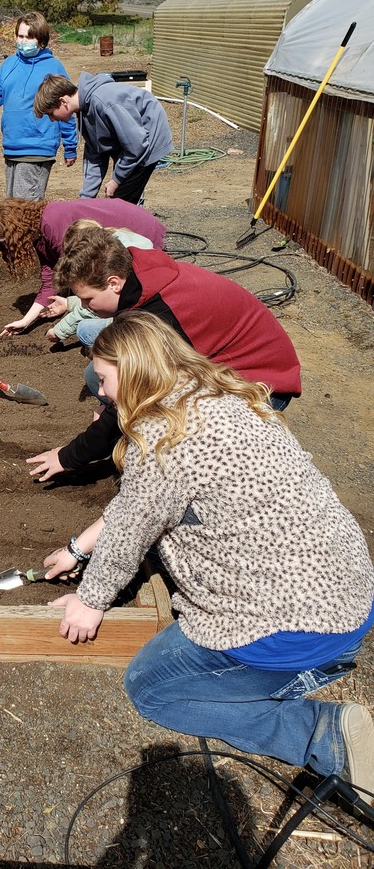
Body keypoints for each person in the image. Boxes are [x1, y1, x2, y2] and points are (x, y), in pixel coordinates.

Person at [43, 311, 374, 803]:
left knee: (151, 688)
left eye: (105, 379)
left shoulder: (162, 440)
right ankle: (304, 675)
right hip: (349, 595)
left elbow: (134, 527)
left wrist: (89, 602)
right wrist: (78, 548)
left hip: (290, 627)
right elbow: (141, 503)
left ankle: (322, 733)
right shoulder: (222, 397)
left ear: (134, 372)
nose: (103, 394)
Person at [27, 227, 301, 481]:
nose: (85, 306)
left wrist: (69, 456)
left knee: (182, 455)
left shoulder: (159, 315)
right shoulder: (139, 274)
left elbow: (135, 388)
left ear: (113, 283)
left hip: (260, 382)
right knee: (97, 376)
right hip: (217, 360)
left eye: (88, 299)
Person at [0, 197, 166, 338]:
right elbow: (50, 278)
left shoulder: (54, 227)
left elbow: (85, 280)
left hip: (137, 228)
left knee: (127, 288)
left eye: (5, 242)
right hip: (123, 233)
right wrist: (25, 321)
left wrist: (61, 329)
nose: (5, 248)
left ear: (16, 232)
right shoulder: (39, 234)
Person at [0, 12, 78, 200]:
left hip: (38, 148)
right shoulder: (8, 66)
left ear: (41, 39)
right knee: (13, 207)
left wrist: (70, 146)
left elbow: (67, 109)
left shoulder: (54, 68)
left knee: (25, 210)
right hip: (12, 147)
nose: (23, 41)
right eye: (20, 36)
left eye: (29, 36)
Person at [34, 72, 173, 205]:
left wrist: (116, 180)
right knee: (115, 198)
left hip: (148, 139)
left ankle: (131, 226)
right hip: (131, 143)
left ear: (63, 101)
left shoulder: (103, 101)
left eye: (51, 114)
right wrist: (85, 200)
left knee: (119, 203)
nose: (52, 119)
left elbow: (137, 145)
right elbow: (96, 154)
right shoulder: (83, 111)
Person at [44, 220, 154, 344]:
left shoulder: (104, 264)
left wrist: (58, 331)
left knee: (84, 329)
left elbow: (86, 311)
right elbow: (101, 294)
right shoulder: (118, 243)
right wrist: (69, 303)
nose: (84, 304)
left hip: (140, 332)